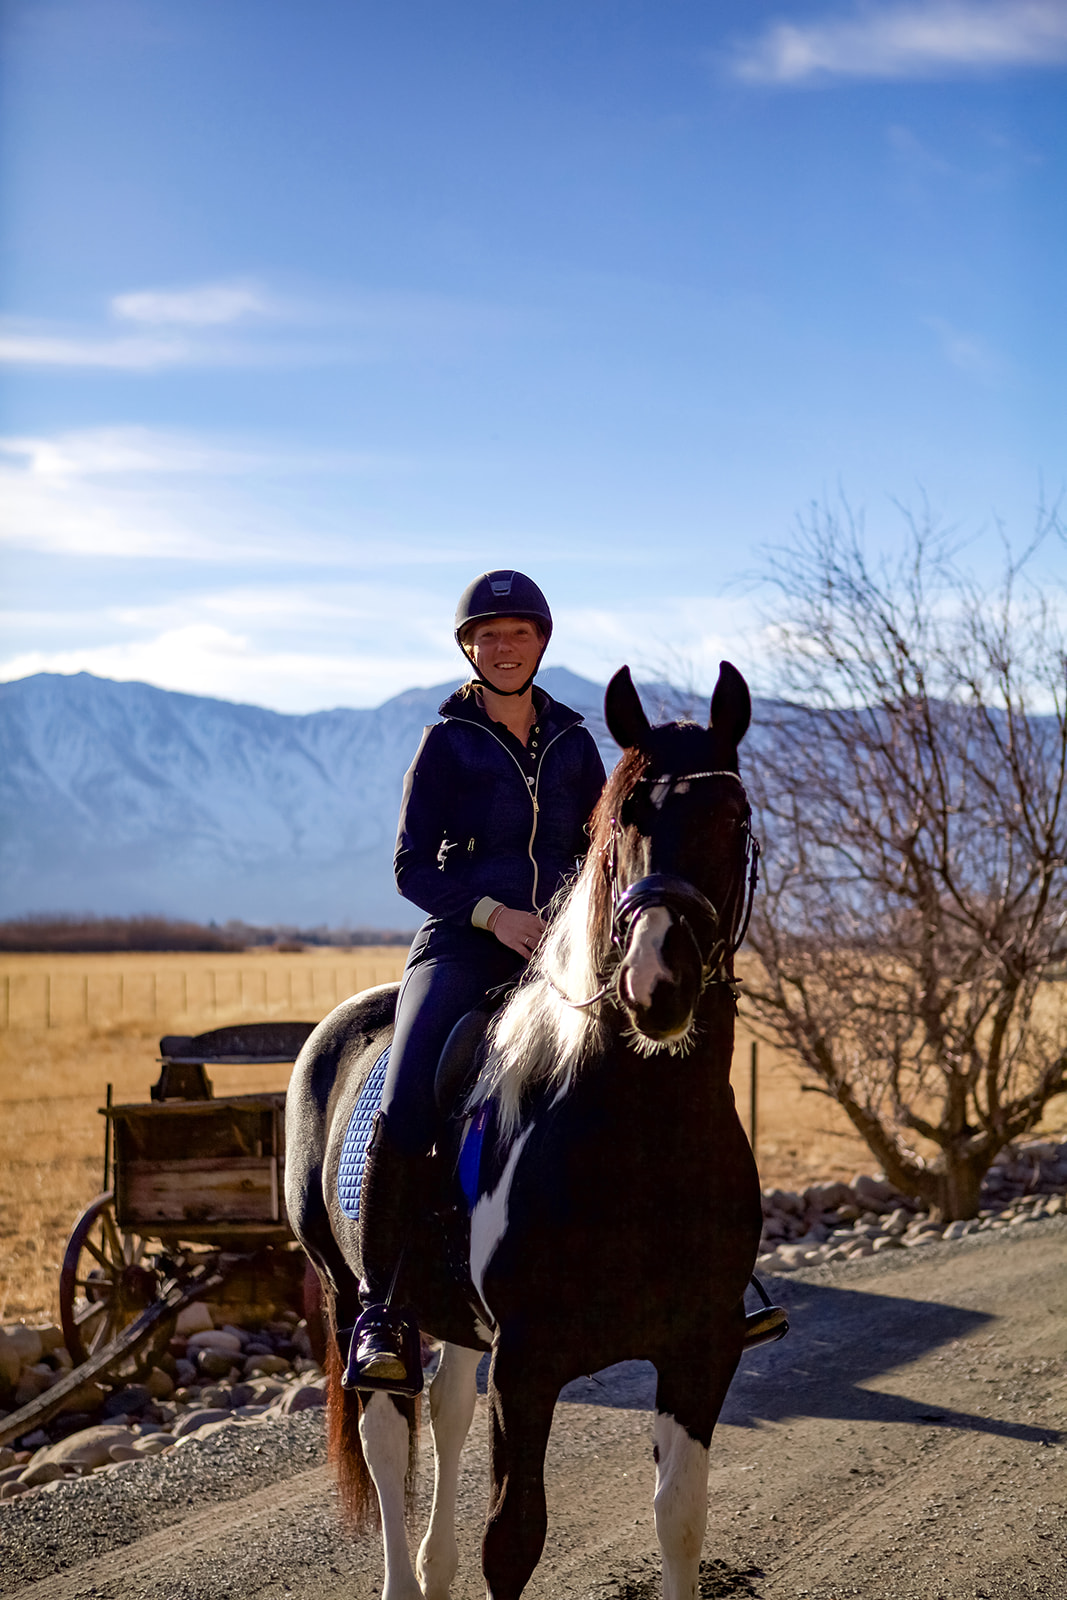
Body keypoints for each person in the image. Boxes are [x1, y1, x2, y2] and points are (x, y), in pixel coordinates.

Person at [351, 570, 607, 1389]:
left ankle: (687, 1270)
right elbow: (410, 867)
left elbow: (603, 854)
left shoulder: (574, 743)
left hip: (561, 954)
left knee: (647, 1063)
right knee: (408, 1096)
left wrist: (576, 927)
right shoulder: (446, 743)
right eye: (487, 636)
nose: (503, 648)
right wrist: (494, 916)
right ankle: (381, 1310)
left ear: (541, 643)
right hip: (463, 948)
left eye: (518, 634)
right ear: (468, 648)